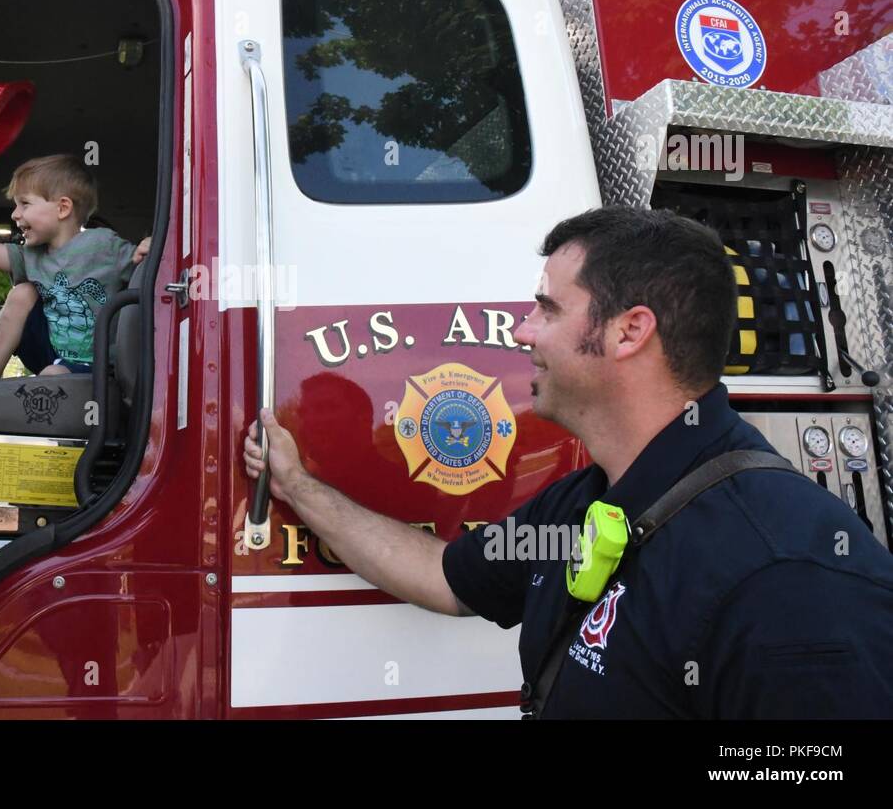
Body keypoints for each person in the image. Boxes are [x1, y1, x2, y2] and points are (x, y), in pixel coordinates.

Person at [243, 206, 893, 718]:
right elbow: (443, 577)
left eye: (547, 309)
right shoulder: (585, 502)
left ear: (629, 332)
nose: (523, 331)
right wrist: (298, 484)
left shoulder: (788, 575)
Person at [0, 148, 149, 378]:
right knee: (22, 292)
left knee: (52, 375)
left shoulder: (103, 245)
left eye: (24, 204)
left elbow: (145, 266)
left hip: (99, 366)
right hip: (51, 353)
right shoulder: (31, 255)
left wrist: (149, 246)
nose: (15, 214)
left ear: (63, 208)